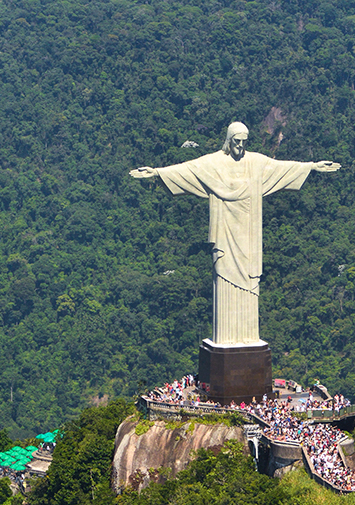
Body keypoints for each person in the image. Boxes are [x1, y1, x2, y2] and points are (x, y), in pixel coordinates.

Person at [130, 123, 340, 345]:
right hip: (225, 233)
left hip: (249, 235)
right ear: (228, 140)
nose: (240, 146)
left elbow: (281, 168)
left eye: (244, 142)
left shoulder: (256, 163)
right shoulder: (214, 163)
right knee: (224, 277)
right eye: (236, 141)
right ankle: (226, 337)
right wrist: (157, 172)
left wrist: (312, 166)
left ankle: (248, 337)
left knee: (249, 282)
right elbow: (188, 169)